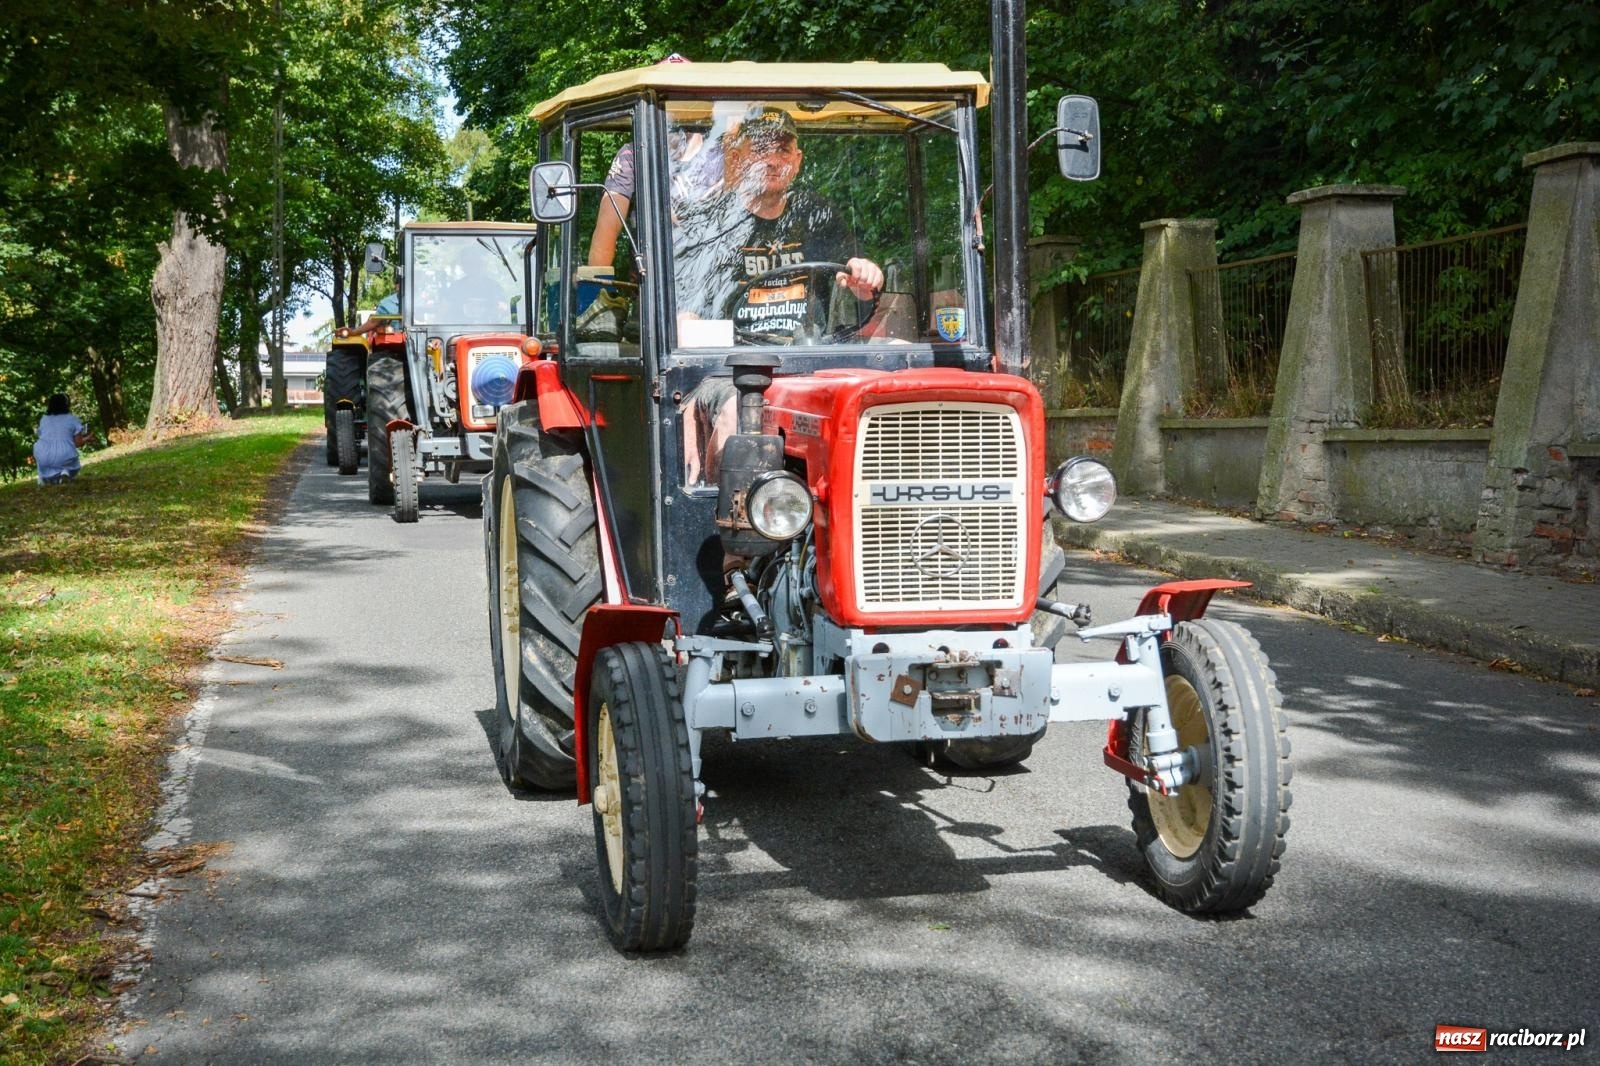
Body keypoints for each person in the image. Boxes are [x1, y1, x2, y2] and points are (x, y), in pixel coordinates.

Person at [673, 106, 884, 344]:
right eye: (761, 149)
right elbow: (685, 312)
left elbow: (859, 277)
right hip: (737, 368)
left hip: (811, 358)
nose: (773, 161)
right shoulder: (710, 224)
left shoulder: (818, 216)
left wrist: (865, 276)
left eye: (783, 150)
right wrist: (687, 326)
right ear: (736, 158)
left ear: (797, 161)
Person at [33, 393, 89, 485]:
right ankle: (65, 472)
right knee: (70, 462)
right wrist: (86, 439)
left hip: (43, 454)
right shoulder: (73, 419)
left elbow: (42, 436)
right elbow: (78, 443)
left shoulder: (44, 419)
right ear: (66, 405)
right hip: (65, 454)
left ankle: (43, 478)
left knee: (42, 452)